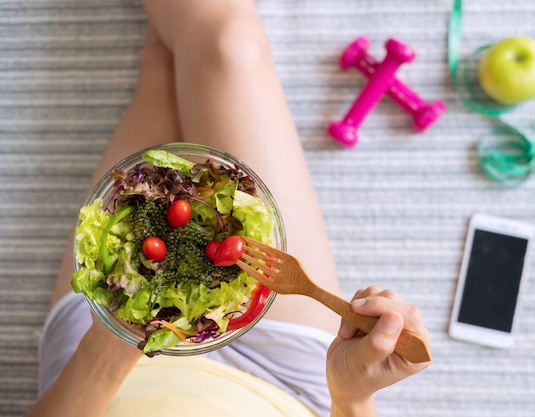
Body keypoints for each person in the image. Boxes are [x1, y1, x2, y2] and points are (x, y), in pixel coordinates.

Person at [25, 1, 431, 416]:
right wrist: (352, 396)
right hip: (283, 377)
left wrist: (114, 340)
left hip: (99, 369)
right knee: (226, 45)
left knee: (163, 71)